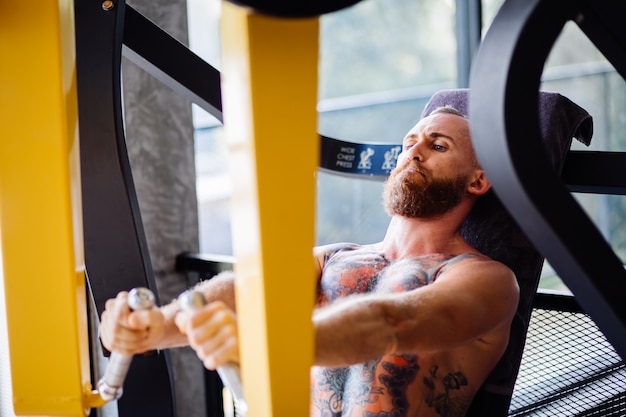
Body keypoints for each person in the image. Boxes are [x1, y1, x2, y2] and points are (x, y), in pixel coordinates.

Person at [100, 106, 519, 417]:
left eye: (438, 145)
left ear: (477, 180)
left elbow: (392, 323)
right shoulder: (334, 258)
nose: (414, 152)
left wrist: (268, 346)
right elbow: (245, 293)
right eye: (409, 142)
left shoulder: (487, 280)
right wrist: (157, 326)